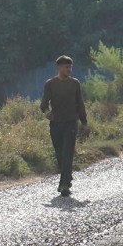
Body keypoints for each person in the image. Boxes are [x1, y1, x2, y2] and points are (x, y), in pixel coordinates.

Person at [39, 55, 88, 196]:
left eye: (70, 67)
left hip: (71, 123)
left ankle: (64, 185)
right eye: (67, 67)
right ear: (59, 67)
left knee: (68, 153)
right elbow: (44, 104)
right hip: (56, 124)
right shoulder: (50, 84)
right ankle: (67, 176)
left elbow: (80, 103)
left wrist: (84, 122)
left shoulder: (75, 83)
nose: (69, 69)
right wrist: (47, 112)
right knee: (60, 154)